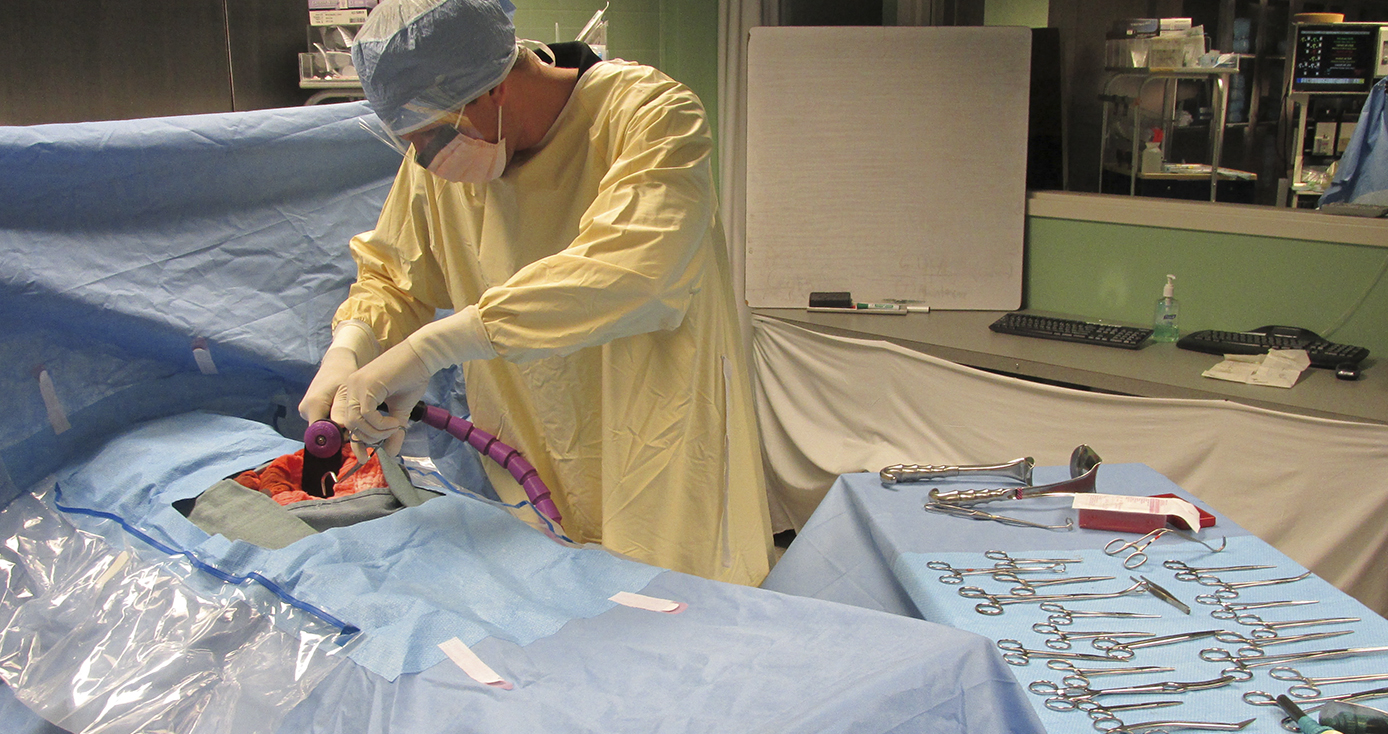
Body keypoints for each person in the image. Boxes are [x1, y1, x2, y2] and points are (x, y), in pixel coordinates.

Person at [298, 0, 774, 586]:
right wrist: (352, 347)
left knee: (680, 635)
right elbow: (395, 276)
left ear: (489, 89)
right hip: (528, 463)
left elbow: (634, 272)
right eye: (409, 143)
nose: (422, 159)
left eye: (429, 135)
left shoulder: (648, 115)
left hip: (661, 456)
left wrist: (430, 350)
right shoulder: (440, 165)